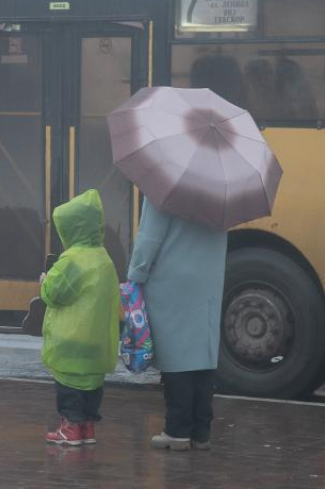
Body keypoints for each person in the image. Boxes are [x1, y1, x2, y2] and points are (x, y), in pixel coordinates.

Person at [127, 197, 227, 451]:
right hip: (209, 280)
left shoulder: (165, 189)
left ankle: (177, 430)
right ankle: (201, 432)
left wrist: (135, 275)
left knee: (176, 356)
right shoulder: (222, 191)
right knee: (202, 355)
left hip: (172, 280)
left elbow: (150, 237)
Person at [40, 189, 120, 446]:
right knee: (91, 385)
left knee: (69, 386)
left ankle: (71, 428)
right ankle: (86, 428)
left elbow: (53, 293)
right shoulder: (104, 259)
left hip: (71, 339)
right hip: (97, 341)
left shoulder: (72, 261)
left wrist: (45, 281)